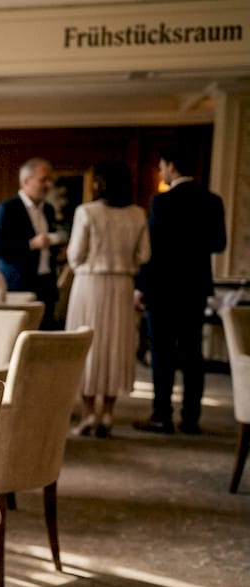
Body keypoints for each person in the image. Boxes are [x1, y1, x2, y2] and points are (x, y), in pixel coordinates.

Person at [134, 145, 227, 435]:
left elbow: (150, 251)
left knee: (162, 354)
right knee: (192, 354)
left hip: (162, 288)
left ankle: (161, 415)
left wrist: (140, 287)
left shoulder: (162, 202)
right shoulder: (212, 200)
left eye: (162, 165)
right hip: (195, 287)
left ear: (172, 166)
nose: (161, 170)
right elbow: (219, 244)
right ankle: (190, 418)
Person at [64, 162, 150, 438]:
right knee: (115, 346)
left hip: (90, 284)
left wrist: (86, 264)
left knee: (86, 344)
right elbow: (144, 255)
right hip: (122, 285)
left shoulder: (86, 212)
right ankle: (108, 414)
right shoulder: (137, 214)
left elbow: (75, 254)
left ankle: (89, 414)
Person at [0, 157, 63, 328]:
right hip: (18, 286)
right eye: (43, 180)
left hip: (46, 287)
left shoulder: (49, 210)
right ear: (26, 181)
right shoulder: (6, 209)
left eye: (50, 180)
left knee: (45, 336)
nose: (49, 185)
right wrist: (31, 244)